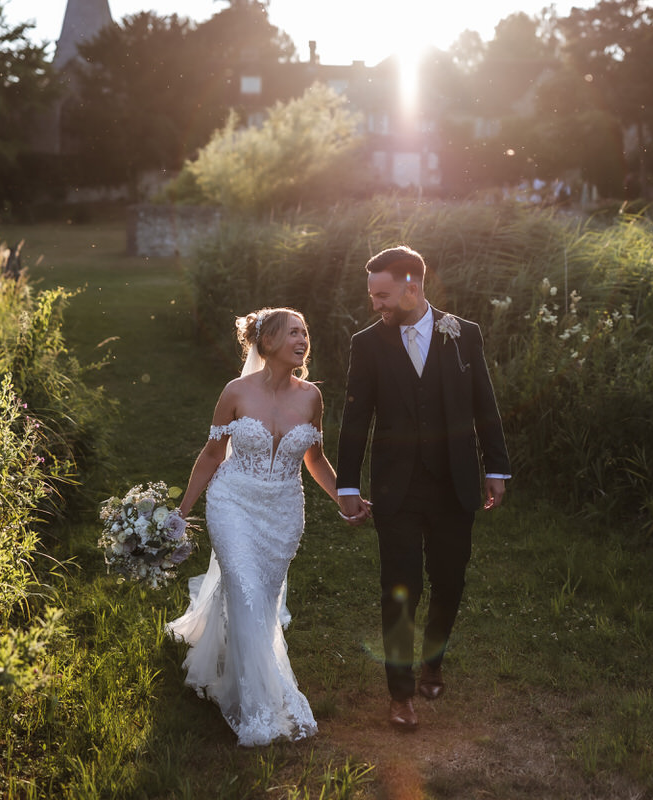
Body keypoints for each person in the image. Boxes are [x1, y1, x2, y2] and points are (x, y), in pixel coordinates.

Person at [166, 307, 364, 746]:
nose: (303, 338)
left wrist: (345, 498)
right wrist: (182, 511)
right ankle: (258, 706)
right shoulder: (235, 391)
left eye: (305, 332)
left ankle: (236, 664)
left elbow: (315, 458)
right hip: (232, 502)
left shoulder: (312, 396)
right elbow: (213, 454)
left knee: (263, 600)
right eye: (294, 332)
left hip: (283, 512)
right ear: (267, 342)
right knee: (247, 593)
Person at [337, 246, 511, 731]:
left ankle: (433, 658)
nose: (376, 304)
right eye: (372, 295)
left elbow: (485, 406)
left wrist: (497, 468)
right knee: (400, 589)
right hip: (397, 489)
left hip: (455, 483)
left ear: (412, 286)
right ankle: (400, 694)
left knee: (450, 580)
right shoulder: (367, 344)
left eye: (383, 295)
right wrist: (348, 483)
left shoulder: (464, 335)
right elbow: (355, 418)